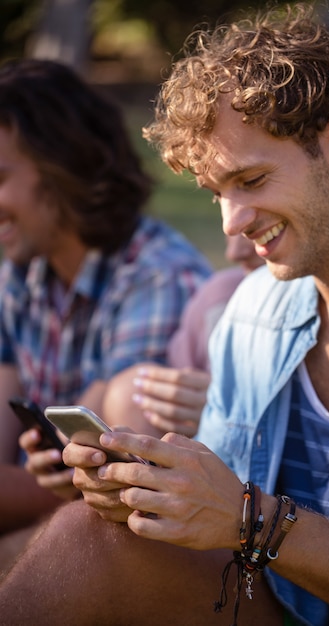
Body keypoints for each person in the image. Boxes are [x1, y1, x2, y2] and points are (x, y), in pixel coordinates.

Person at [0, 4, 329, 625]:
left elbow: (245, 522)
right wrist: (151, 497)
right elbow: (226, 523)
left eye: (251, 179)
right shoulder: (252, 312)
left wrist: (256, 521)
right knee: (85, 537)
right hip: (278, 607)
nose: (231, 224)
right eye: (217, 193)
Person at [0, 58, 211, 565]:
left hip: (131, 544)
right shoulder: (19, 273)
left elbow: (81, 479)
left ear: (63, 167)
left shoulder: (156, 277)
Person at [102, 234, 264, 437]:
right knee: (128, 393)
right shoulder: (218, 299)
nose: (233, 253)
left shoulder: (163, 272)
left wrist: (235, 417)